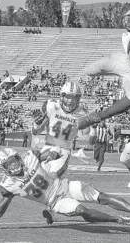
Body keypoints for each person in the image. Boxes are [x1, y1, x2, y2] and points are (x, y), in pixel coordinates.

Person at [0, 148, 130, 231]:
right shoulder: (8, 185)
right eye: (9, 164)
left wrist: (52, 154)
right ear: (4, 167)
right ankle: (119, 220)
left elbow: (46, 154)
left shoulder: (30, 158)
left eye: (15, 160)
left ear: (19, 157)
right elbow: (0, 209)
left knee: (102, 197)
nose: (15, 165)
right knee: (82, 210)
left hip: (65, 185)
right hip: (56, 201)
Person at [31, 82, 90, 222]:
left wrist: (88, 124)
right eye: (67, 97)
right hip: (47, 147)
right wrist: (36, 123)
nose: (70, 101)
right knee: (38, 181)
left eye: (74, 97)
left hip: (63, 150)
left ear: (78, 98)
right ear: (62, 96)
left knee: (53, 176)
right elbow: (36, 131)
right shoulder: (51, 106)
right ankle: (57, 203)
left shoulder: (81, 113)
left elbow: (87, 133)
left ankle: (53, 210)